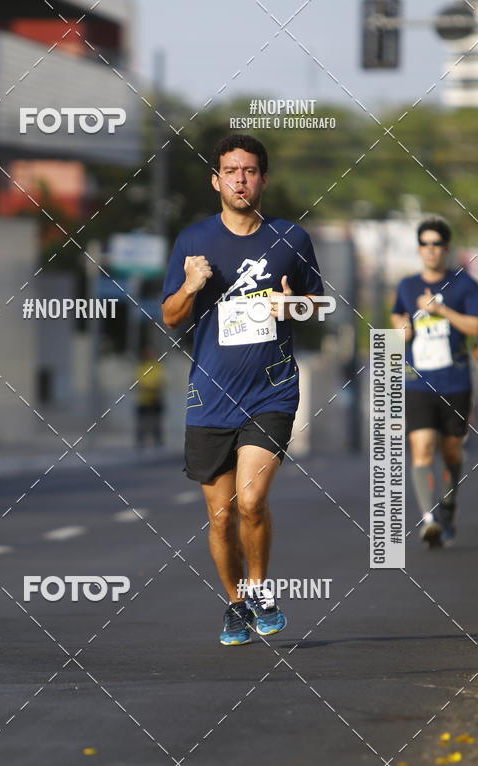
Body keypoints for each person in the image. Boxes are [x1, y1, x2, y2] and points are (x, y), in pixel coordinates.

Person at [161, 134, 325, 646]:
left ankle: (259, 591)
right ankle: (233, 604)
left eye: (249, 171)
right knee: (221, 514)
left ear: (263, 179)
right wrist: (189, 286)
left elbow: (320, 308)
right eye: (230, 171)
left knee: (251, 501)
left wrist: (293, 305)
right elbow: (168, 318)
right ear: (216, 180)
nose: (240, 179)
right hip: (210, 394)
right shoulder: (192, 241)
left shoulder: (290, 239)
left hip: (271, 391)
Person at [391, 217, 478, 547]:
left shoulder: (464, 285)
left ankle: (448, 506)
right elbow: (398, 318)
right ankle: (429, 520)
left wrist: (442, 312)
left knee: (451, 450)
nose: (430, 250)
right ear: (418, 249)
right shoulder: (407, 285)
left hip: (455, 382)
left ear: (446, 248)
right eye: (425, 244)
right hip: (417, 382)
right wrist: (402, 326)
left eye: (436, 244)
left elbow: (475, 326)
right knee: (422, 448)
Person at [134, 347, 165, 448]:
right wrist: (149, 387)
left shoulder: (156, 367)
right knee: (142, 423)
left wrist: (150, 387)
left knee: (156, 422)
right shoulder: (141, 367)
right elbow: (139, 382)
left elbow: (159, 381)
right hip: (143, 400)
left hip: (155, 399)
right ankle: (140, 442)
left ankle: (158, 442)